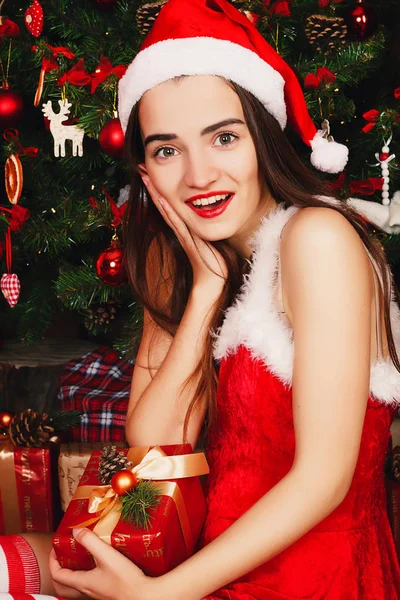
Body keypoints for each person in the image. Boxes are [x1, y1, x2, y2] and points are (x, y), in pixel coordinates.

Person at [1, 0, 400, 598]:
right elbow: (158, 443)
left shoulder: (318, 240)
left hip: (312, 582)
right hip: (208, 571)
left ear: (262, 136)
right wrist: (206, 290)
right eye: (167, 150)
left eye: (223, 138)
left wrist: (163, 594)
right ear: (145, 172)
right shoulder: (184, 260)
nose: (198, 175)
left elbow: (324, 478)